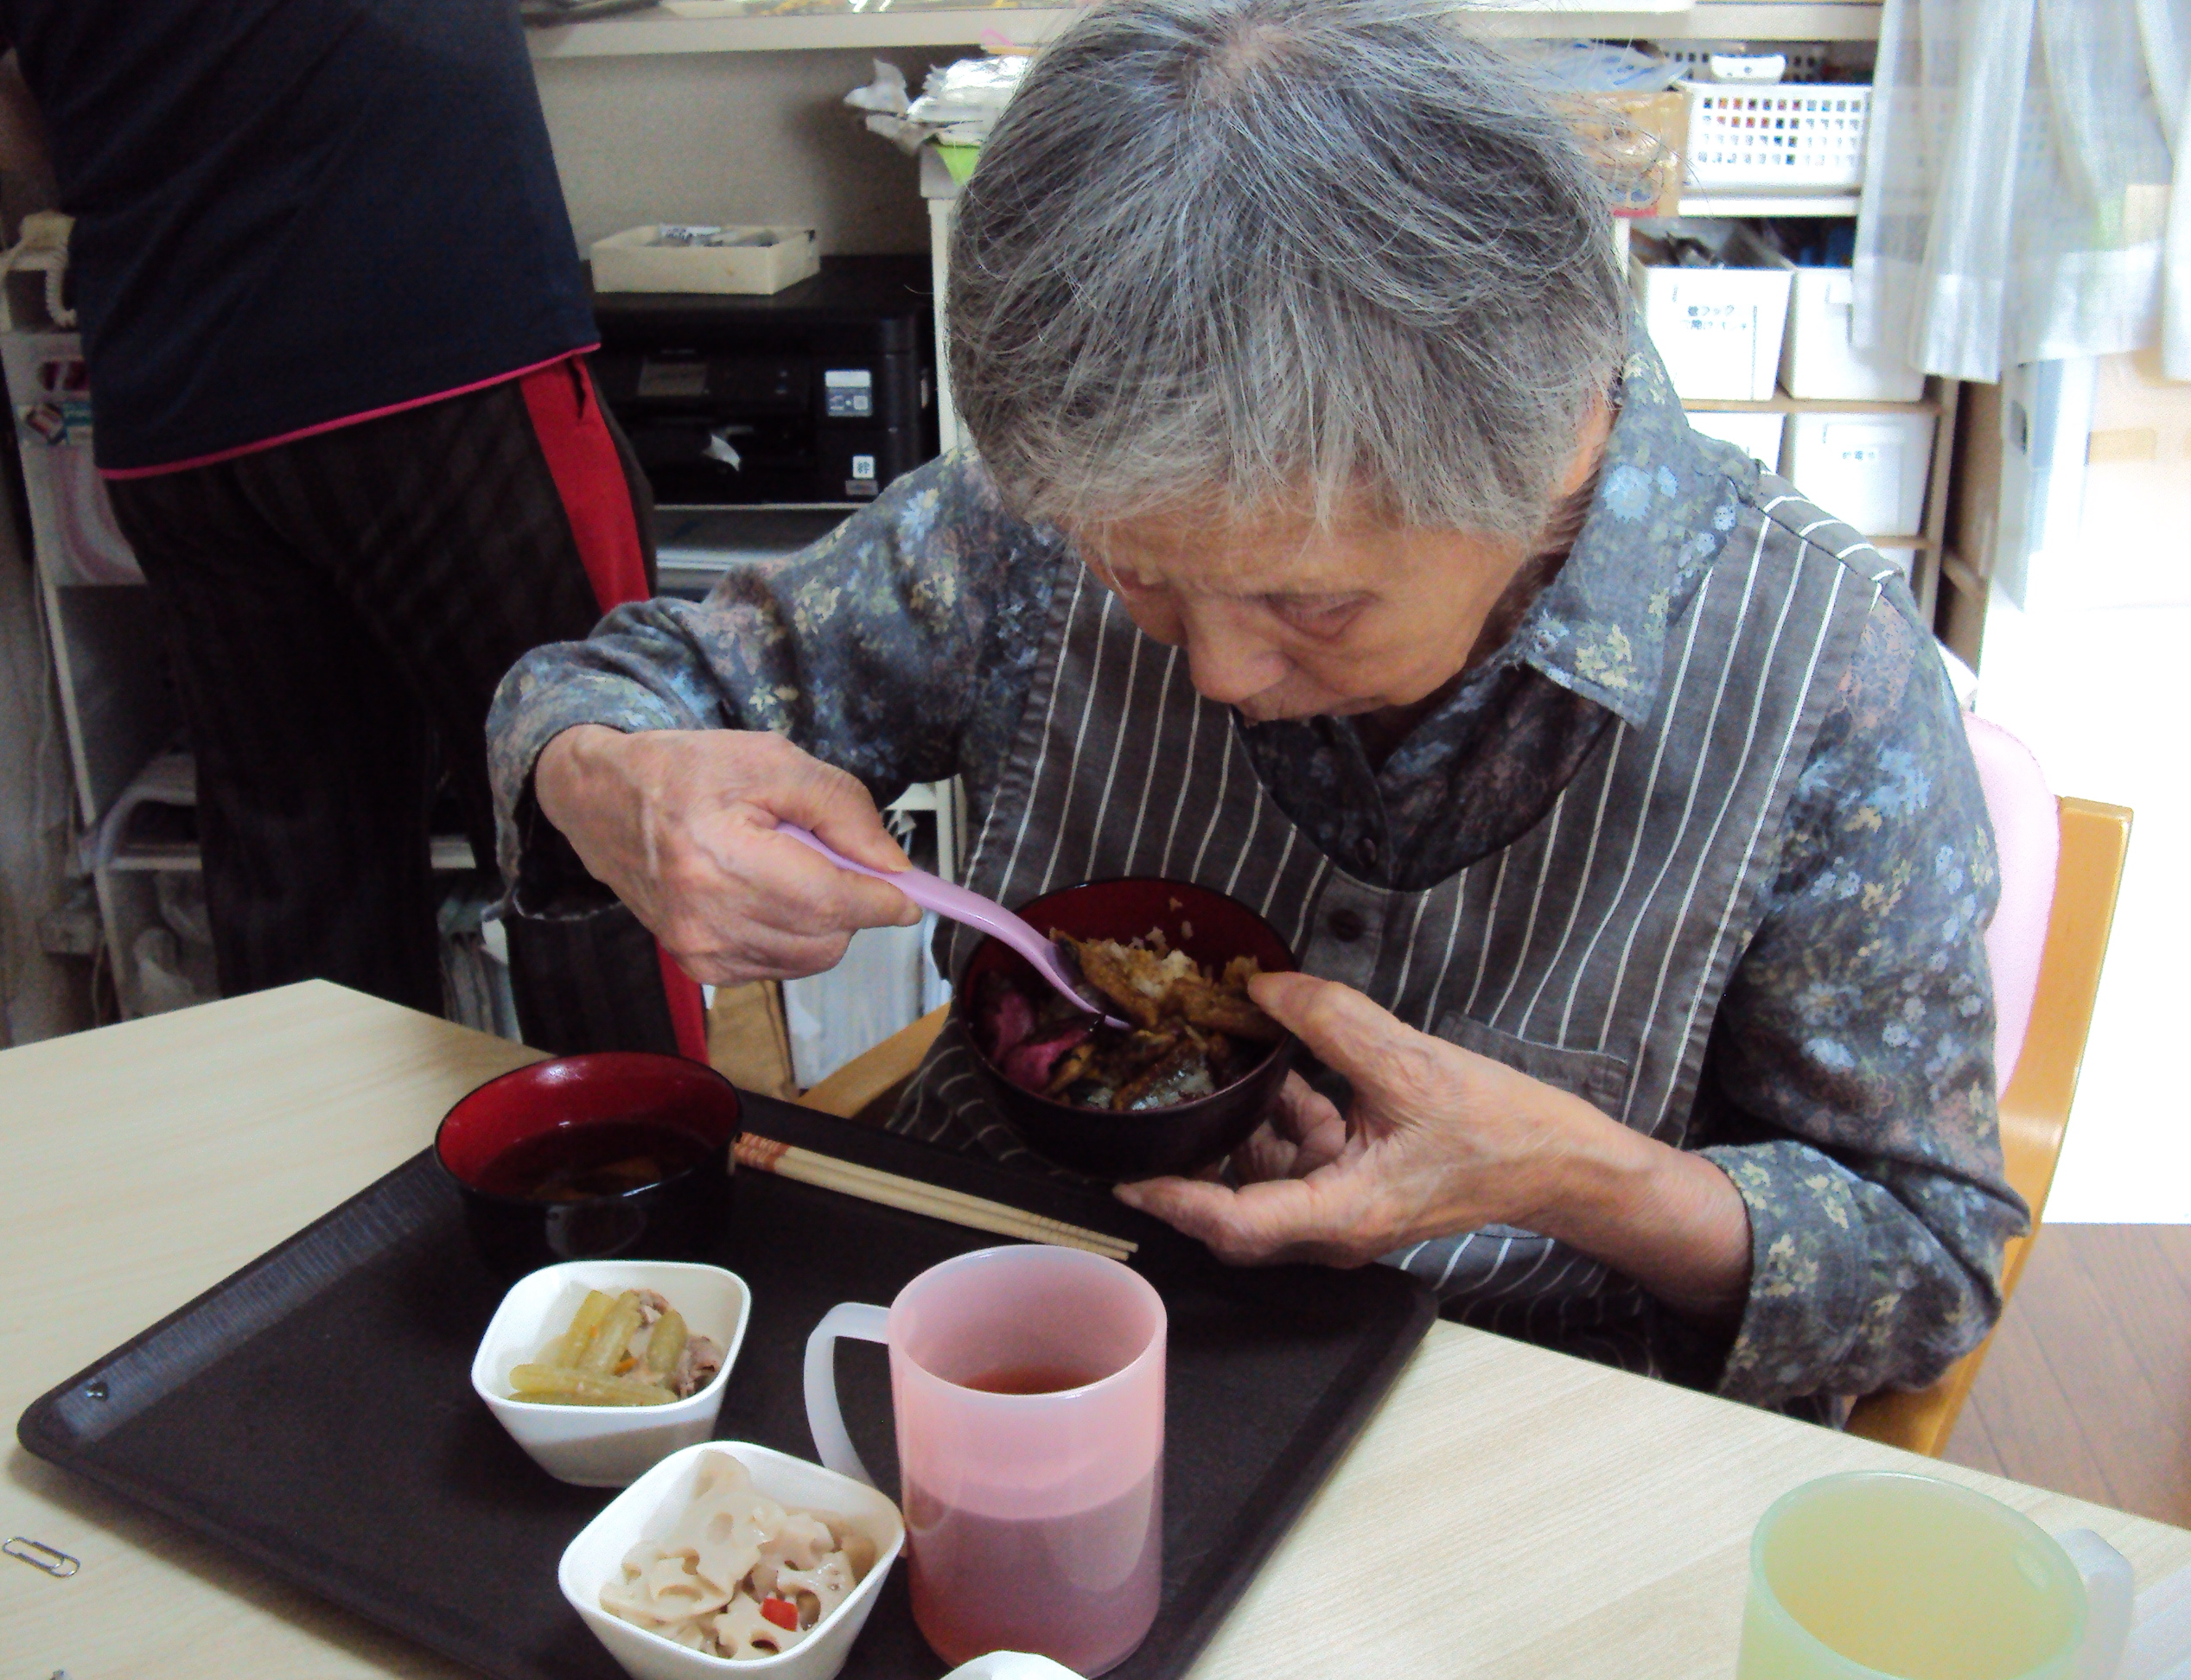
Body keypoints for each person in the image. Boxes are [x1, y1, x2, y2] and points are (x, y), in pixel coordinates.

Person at [487, 0, 2024, 1422]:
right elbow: (599, 691)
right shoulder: (1028, 525)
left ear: (1560, 442)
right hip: (973, 1329)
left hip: (1491, 1428)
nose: (1216, 674)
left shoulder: (1815, 667)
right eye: (1142, 577)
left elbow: (1923, 1266)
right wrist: (611, 782)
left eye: (1314, 603)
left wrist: (1573, 1176)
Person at [0, 1, 673, 1036]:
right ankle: (651, 1147)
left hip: (184, 382)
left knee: (300, 882)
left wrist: (157, 150)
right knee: (599, 829)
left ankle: (368, 1159)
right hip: (436, 340)